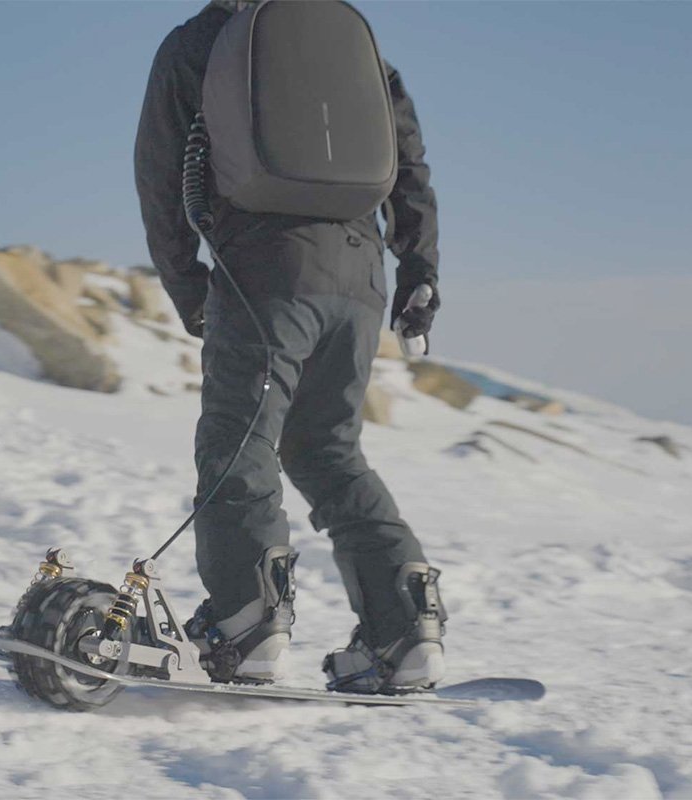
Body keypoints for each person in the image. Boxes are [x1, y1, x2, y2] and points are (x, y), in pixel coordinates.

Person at [133, 0, 446, 694]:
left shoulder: (200, 42)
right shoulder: (348, 42)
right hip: (361, 279)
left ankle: (245, 622)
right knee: (329, 451)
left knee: (238, 443)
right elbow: (409, 163)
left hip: (265, 274)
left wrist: (192, 294)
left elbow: (160, 179)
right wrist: (419, 273)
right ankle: (405, 632)